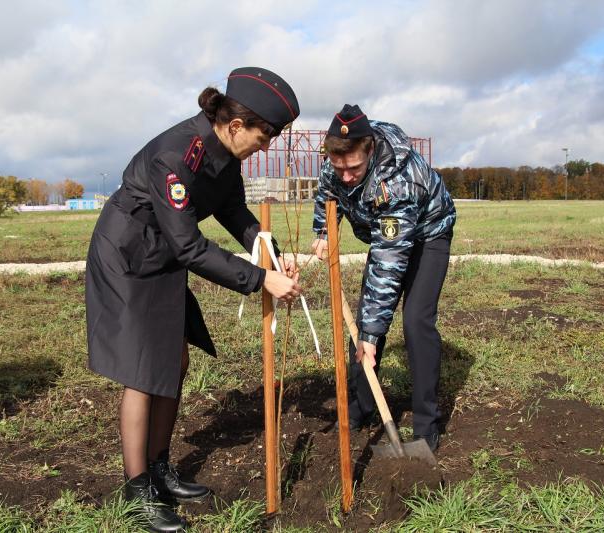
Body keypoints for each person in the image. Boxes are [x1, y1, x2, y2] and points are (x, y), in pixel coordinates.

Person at [86, 67, 302, 532]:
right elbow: (189, 246)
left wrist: (272, 256)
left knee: (175, 361)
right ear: (236, 125)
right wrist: (260, 279)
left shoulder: (226, 155)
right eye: (264, 139)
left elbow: (233, 212)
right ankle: (137, 488)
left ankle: (160, 467)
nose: (265, 148)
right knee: (143, 371)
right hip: (129, 255)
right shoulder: (176, 156)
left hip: (162, 254)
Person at [311, 104, 455, 454]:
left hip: (427, 235)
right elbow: (326, 195)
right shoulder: (339, 159)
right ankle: (361, 407)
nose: (346, 175)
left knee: (415, 321)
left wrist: (372, 337)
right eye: (339, 166)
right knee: (361, 324)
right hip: (384, 235)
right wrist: (322, 231)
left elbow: (388, 266)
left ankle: (426, 423)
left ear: (370, 149)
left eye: (354, 168)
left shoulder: (397, 182)